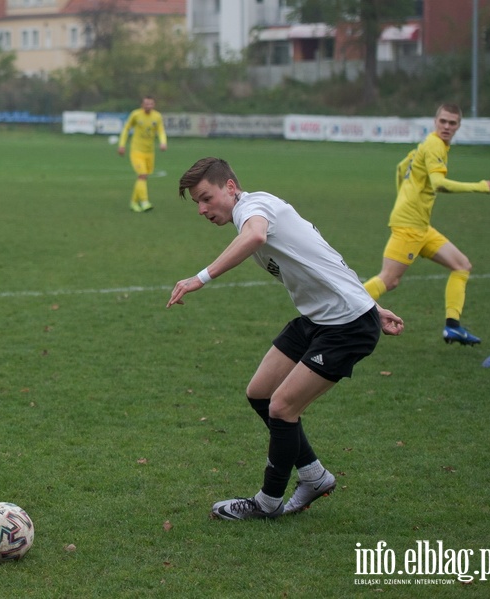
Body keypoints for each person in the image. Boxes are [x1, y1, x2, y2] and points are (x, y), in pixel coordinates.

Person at [166, 157, 404, 521]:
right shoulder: (251, 213)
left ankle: (268, 501)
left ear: (230, 187)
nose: (201, 209)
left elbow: (256, 236)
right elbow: (326, 258)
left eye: (206, 198)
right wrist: (373, 304)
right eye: (197, 202)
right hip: (319, 319)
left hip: (346, 327)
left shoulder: (256, 208)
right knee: (260, 392)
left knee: (281, 407)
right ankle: (313, 476)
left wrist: (201, 278)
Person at [362, 103, 490, 345]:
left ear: (458, 126)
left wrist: (405, 197)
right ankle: (341, 310)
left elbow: (401, 168)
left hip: (421, 226)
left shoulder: (426, 144)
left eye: (452, 123)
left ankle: (453, 327)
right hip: (410, 226)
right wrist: (480, 186)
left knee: (461, 265)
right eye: (443, 121)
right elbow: (439, 183)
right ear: (435, 121)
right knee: (389, 279)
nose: (446, 126)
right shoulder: (434, 145)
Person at [117, 95, 167, 213]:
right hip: (136, 150)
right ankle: (144, 202)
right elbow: (126, 129)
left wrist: (163, 142)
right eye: (146, 104)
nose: (148, 106)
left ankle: (133, 203)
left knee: (143, 177)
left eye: (151, 104)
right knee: (142, 175)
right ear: (142, 105)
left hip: (149, 152)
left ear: (153, 105)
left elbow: (160, 130)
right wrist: (122, 145)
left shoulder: (157, 116)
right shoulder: (135, 114)